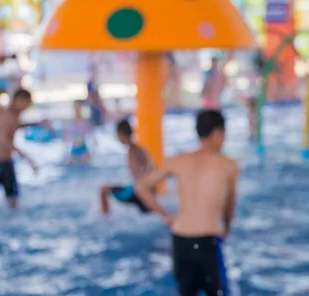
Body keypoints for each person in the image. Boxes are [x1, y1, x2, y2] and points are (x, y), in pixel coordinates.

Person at [135, 110, 238, 296]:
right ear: (216, 133)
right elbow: (229, 209)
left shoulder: (178, 161)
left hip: (180, 240)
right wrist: (227, 230)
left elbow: (141, 187)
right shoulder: (228, 165)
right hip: (208, 241)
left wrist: (165, 215)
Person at [100, 119, 153, 215]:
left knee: (103, 189)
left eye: (117, 135)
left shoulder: (132, 152)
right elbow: (150, 168)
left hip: (138, 191)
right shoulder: (139, 148)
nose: (117, 138)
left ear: (121, 134)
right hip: (144, 189)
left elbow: (140, 175)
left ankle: (105, 217)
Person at [0, 89, 39, 208]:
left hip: (6, 162)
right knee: (13, 199)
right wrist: (26, 157)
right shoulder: (6, 114)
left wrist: (35, 123)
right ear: (18, 100)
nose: (27, 107)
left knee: (13, 198)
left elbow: (13, 128)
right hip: (2, 163)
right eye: (26, 104)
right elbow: (2, 139)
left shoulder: (13, 114)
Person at [69, 100, 91, 164]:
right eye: (75, 106)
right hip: (74, 148)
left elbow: (89, 134)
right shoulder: (71, 121)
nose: (77, 108)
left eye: (78, 106)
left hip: (83, 147)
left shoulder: (85, 121)